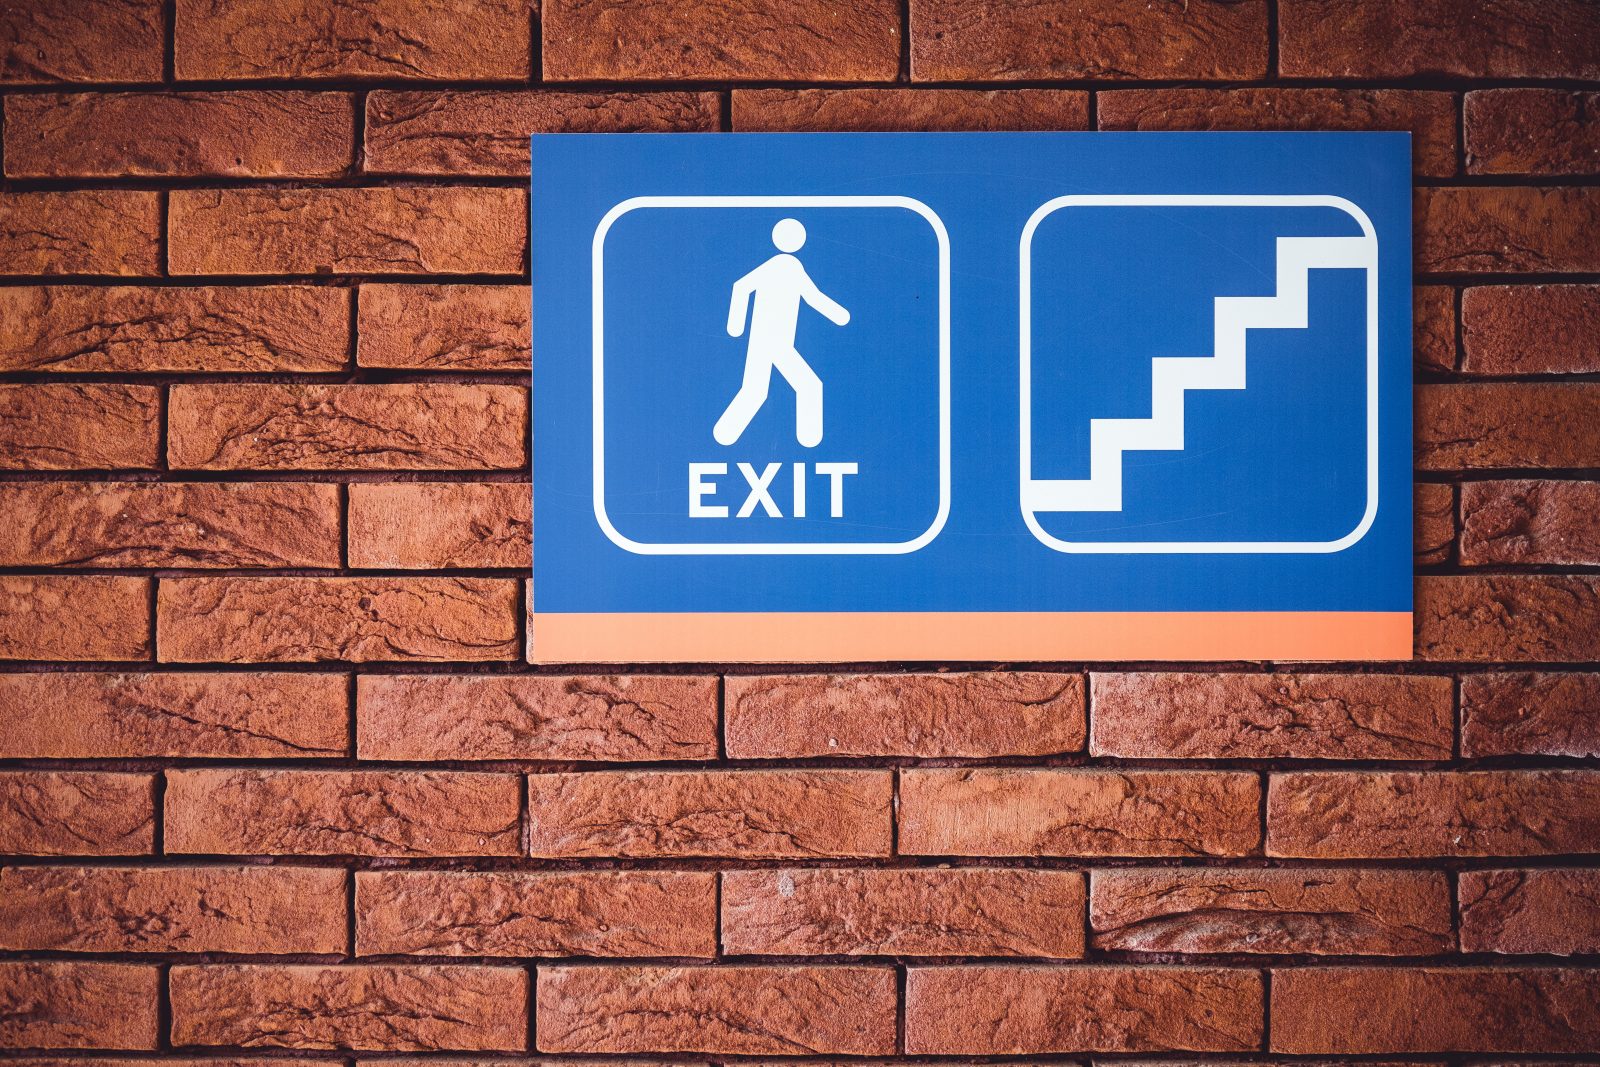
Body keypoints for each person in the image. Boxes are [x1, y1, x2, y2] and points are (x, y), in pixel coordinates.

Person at [714, 218, 850, 448]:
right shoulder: (784, 266)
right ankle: (809, 440)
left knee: (755, 391)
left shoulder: (787, 266)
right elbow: (741, 287)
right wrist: (735, 327)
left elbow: (811, 296)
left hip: (767, 342)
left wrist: (839, 315)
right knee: (808, 385)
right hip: (775, 343)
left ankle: (725, 435)